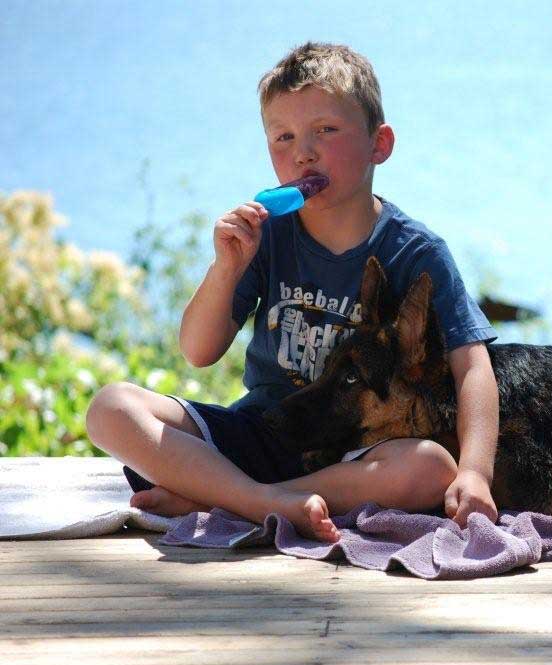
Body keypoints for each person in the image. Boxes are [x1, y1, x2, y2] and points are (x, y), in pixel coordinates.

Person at [85, 42, 500, 543]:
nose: (303, 151)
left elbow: (472, 365)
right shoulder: (268, 237)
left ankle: (225, 496)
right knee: (110, 407)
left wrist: (475, 472)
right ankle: (262, 502)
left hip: (353, 451)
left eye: (325, 130)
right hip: (265, 425)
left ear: (379, 145)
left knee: (431, 467)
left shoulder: (415, 252)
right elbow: (198, 351)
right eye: (283, 136)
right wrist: (226, 267)